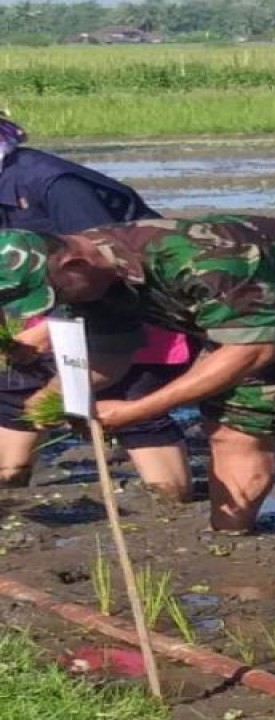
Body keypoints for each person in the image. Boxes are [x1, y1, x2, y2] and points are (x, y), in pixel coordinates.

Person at [0, 215, 275, 562]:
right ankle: (230, 540)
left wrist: (139, 410)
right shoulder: (90, 282)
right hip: (265, 319)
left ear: (73, 264)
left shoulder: (202, 256)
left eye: (51, 294)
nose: (53, 306)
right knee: (232, 428)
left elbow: (253, 352)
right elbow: (112, 352)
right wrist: (59, 397)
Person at [0, 113, 192, 500]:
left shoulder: (56, 185)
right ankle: (10, 485)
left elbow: (105, 268)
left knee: (129, 397)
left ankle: (173, 502)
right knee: (14, 390)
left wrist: (43, 332)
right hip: (54, 299)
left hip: (127, 301)